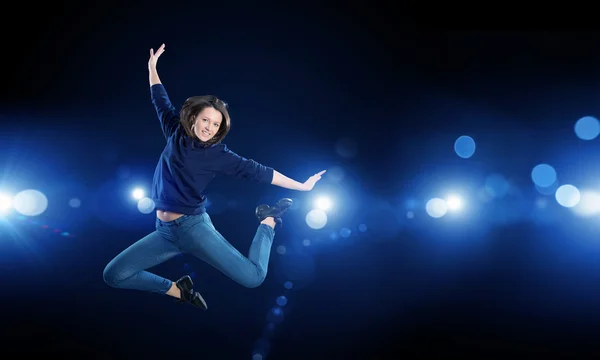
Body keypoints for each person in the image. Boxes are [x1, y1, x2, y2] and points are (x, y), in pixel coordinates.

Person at [102, 43, 326, 310]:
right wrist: (152, 68)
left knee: (253, 277)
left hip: (194, 229)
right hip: (164, 232)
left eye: (216, 124)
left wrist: (301, 186)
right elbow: (160, 100)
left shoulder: (218, 155)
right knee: (114, 275)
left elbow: (261, 172)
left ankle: (269, 220)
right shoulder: (175, 132)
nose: (209, 127)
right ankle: (178, 291)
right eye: (206, 120)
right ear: (194, 117)